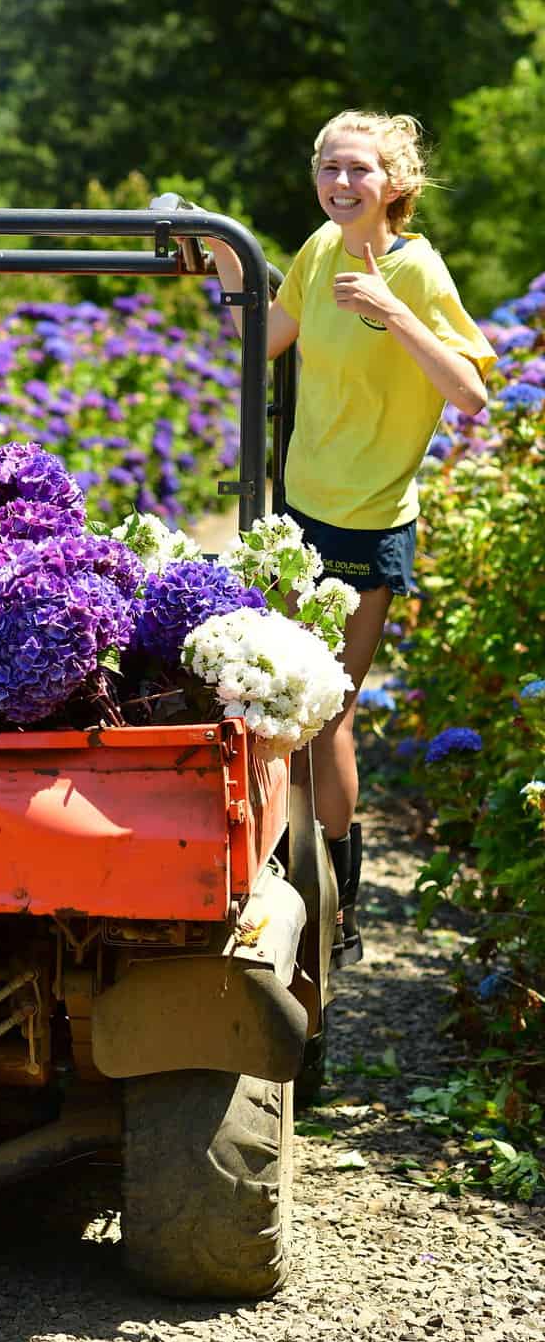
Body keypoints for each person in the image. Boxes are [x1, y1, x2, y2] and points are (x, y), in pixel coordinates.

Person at [208, 112, 494, 966]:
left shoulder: (416, 267)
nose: (341, 183)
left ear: (394, 184)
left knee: (326, 710)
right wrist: (223, 260)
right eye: (329, 167)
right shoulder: (318, 248)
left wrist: (392, 311)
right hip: (297, 513)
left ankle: (341, 903)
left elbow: (472, 393)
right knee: (268, 704)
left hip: (369, 521)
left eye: (359, 170)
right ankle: (270, 870)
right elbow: (267, 338)